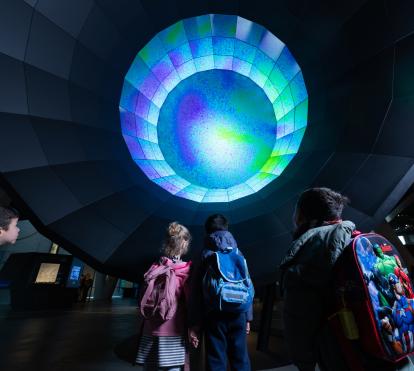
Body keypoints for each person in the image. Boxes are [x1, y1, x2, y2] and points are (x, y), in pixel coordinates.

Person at [279, 187, 355, 371]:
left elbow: (299, 319)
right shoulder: (353, 236)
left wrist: (305, 363)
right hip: (382, 348)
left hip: (342, 355)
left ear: (303, 216)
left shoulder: (310, 249)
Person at [189, 214, 253, 371]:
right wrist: (247, 317)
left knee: (216, 360)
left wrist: (195, 323)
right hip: (238, 312)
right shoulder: (238, 253)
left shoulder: (204, 254)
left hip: (214, 314)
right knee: (241, 359)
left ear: (207, 231)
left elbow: (196, 291)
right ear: (227, 228)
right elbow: (247, 283)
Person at [136, 222, 192, 371]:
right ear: (184, 243)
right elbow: (190, 303)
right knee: (172, 368)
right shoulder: (185, 270)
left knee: (150, 367)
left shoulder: (154, 268)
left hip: (150, 330)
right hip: (174, 331)